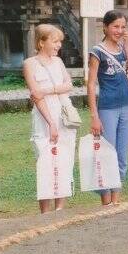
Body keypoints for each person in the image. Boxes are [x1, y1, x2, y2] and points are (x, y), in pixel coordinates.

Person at [87, 10, 128, 205]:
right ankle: (106, 200)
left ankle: (116, 200)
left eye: (123, 27)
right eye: (115, 26)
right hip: (107, 108)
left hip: (127, 105)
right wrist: (94, 115)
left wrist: (127, 49)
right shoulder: (97, 51)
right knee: (106, 155)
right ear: (105, 27)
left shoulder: (124, 49)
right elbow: (91, 83)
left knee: (122, 156)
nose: (119, 30)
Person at [23, 24, 76, 214]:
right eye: (55, 41)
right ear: (41, 42)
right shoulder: (30, 63)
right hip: (44, 116)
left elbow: (68, 84)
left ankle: (60, 207)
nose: (58, 45)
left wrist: (47, 90)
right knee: (45, 160)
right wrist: (51, 123)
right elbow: (36, 96)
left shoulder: (58, 62)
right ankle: (45, 211)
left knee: (65, 159)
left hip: (63, 113)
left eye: (59, 41)